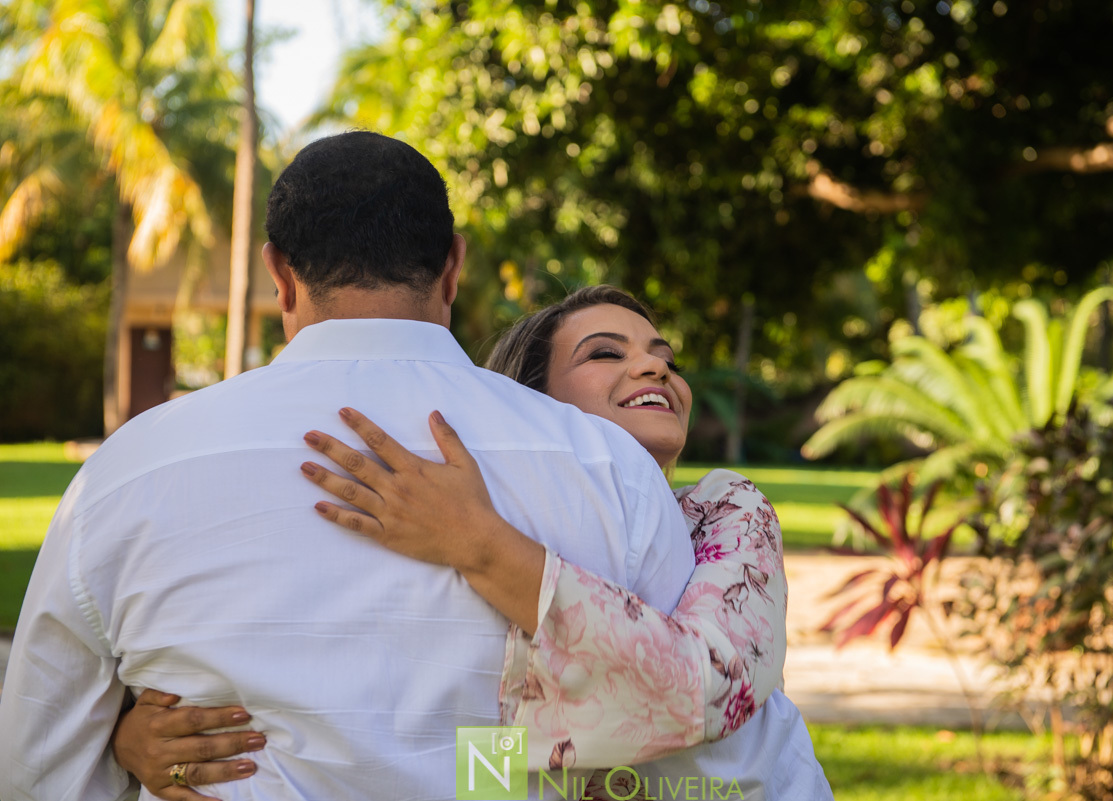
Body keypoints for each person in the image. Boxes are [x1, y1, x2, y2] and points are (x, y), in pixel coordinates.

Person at [0, 132, 697, 801]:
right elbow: (695, 737)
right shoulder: (609, 469)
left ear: (279, 273)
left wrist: (125, 747)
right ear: (453, 265)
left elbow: (38, 764)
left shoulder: (129, 468)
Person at [111, 288, 834, 800]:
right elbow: (472, 760)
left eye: (662, 355)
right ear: (529, 400)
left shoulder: (726, 511)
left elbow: (701, 689)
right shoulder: (530, 531)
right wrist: (144, 744)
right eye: (607, 352)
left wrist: (479, 543)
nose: (653, 368)